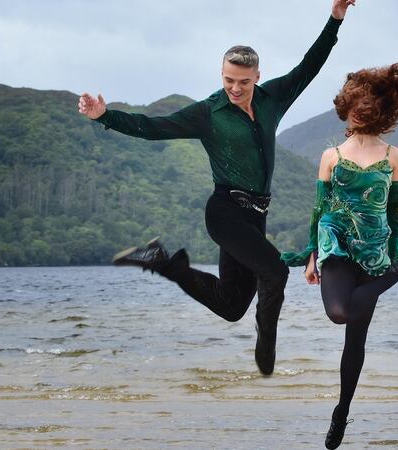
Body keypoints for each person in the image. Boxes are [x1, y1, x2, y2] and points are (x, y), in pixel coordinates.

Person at [77, 0, 357, 376]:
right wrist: (104, 116)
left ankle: (164, 263)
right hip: (224, 213)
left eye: (243, 81)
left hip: (255, 218)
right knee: (275, 272)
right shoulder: (208, 113)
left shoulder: (273, 98)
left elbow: (310, 65)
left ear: (258, 76)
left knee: (231, 306)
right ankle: (267, 351)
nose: (235, 88)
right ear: (221, 74)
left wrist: (335, 17)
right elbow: (154, 126)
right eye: (228, 80)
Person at [281, 60, 398, 449]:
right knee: (338, 314)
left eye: (368, 106)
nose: (361, 112)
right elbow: (318, 209)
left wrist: (392, 251)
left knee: (355, 341)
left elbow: (395, 211)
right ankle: (393, 275)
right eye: (356, 105)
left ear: (379, 110)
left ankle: (341, 412)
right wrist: (312, 255)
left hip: (374, 246)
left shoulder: (394, 155)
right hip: (336, 242)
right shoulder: (331, 156)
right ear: (348, 107)